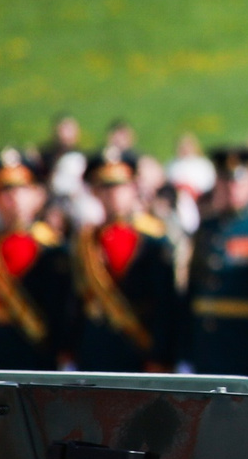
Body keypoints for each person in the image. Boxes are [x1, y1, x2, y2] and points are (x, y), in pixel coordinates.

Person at [181, 145, 248, 376]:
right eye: (224, 180)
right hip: (208, 349)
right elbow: (193, 293)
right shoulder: (207, 228)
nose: (231, 187)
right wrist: (187, 353)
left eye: (237, 180)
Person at [72, 150, 177, 372]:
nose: (113, 194)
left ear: (133, 188)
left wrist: (160, 356)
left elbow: (165, 304)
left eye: (121, 186)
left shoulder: (152, 239)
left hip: (139, 346)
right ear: (95, 192)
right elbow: (75, 302)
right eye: (105, 187)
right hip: (95, 348)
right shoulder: (87, 240)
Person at [0, 150, 76, 370]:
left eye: (22, 188)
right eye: (4, 189)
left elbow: (64, 309)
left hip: (38, 352)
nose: (14, 197)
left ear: (38, 194)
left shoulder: (53, 248)